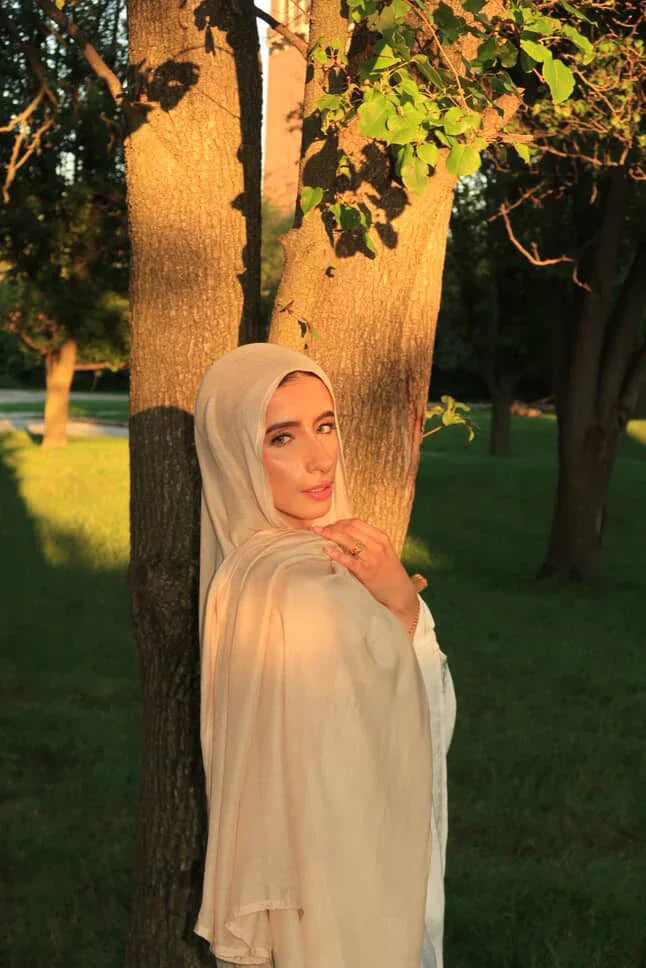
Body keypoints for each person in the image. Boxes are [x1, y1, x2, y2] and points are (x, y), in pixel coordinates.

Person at [193, 342, 456, 968]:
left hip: (318, 881)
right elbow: (417, 727)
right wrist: (401, 607)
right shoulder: (298, 582)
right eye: (280, 438)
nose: (320, 459)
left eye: (326, 425)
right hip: (339, 889)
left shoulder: (247, 571)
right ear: (233, 454)